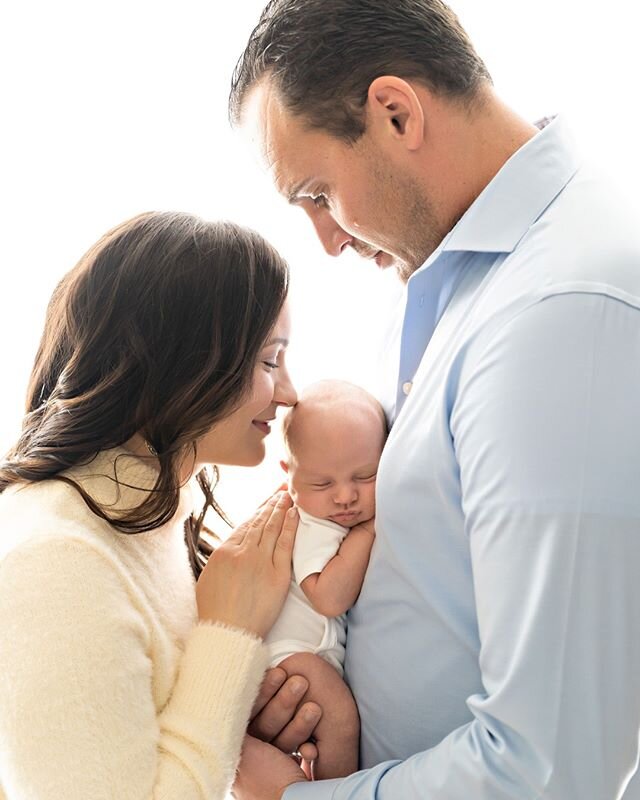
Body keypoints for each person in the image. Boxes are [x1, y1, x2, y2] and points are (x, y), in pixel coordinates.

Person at [228, 1, 640, 798]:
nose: (328, 240)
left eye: (318, 193)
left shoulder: (560, 314)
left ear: (395, 112)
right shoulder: (446, 282)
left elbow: (554, 770)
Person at [0, 210, 317, 799]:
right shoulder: (55, 562)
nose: (291, 393)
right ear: (182, 360)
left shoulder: (146, 514)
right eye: (270, 361)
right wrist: (229, 632)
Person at [263, 380, 384, 779]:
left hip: (304, 653)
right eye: (323, 483)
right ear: (290, 477)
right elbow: (328, 597)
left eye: (365, 476)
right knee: (340, 718)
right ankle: (334, 790)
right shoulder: (311, 523)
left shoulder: (327, 513)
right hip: (291, 655)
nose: (345, 496)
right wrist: (366, 535)